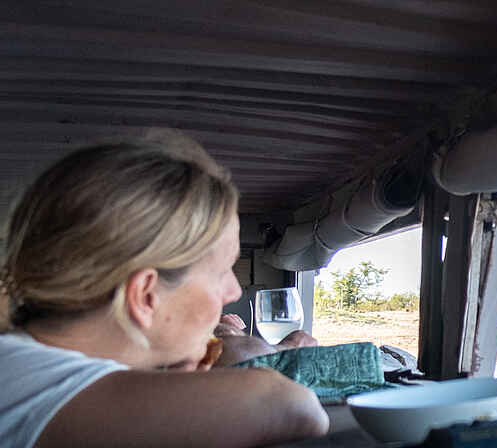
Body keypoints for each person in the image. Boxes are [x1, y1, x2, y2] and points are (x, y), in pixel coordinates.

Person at [0, 131, 329, 447]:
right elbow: (289, 406)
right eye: (220, 272)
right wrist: (236, 345)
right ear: (145, 295)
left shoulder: (23, 363)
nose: (234, 292)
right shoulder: (25, 381)